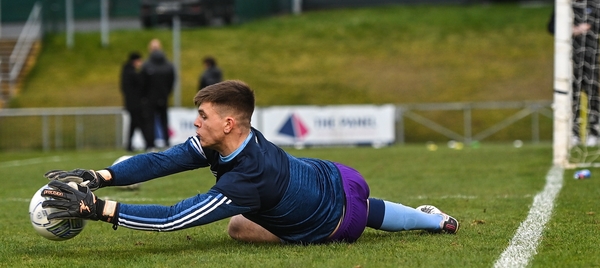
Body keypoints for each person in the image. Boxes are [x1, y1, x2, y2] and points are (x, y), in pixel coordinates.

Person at [41, 80, 458, 244]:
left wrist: (99, 210)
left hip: (336, 223)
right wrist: (101, 176)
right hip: (341, 176)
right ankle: (434, 221)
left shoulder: (247, 178)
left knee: (238, 227)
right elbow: (161, 162)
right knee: (366, 208)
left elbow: (174, 218)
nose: (195, 122)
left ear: (226, 122)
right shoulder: (230, 141)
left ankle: (426, 220)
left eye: (202, 116)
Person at [548, 0, 600, 146]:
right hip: (570, 58)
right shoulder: (564, 5)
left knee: (593, 94)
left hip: (591, 56)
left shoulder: (595, 4)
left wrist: (590, 26)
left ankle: (594, 132)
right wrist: (569, 30)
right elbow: (550, 27)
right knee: (573, 96)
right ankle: (574, 133)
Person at [141, 39, 175, 149]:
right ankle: (166, 142)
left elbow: (142, 82)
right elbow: (172, 81)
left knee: (150, 121)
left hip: (150, 98)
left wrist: (145, 96)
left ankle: (150, 144)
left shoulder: (147, 65)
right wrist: (167, 93)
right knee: (164, 120)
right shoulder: (168, 65)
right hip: (164, 97)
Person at [120, 51, 145, 152]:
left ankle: (130, 145)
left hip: (130, 103)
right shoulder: (132, 73)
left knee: (134, 124)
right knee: (138, 123)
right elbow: (140, 84)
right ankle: (147, 143)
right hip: (135, 104)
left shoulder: (126, 71)